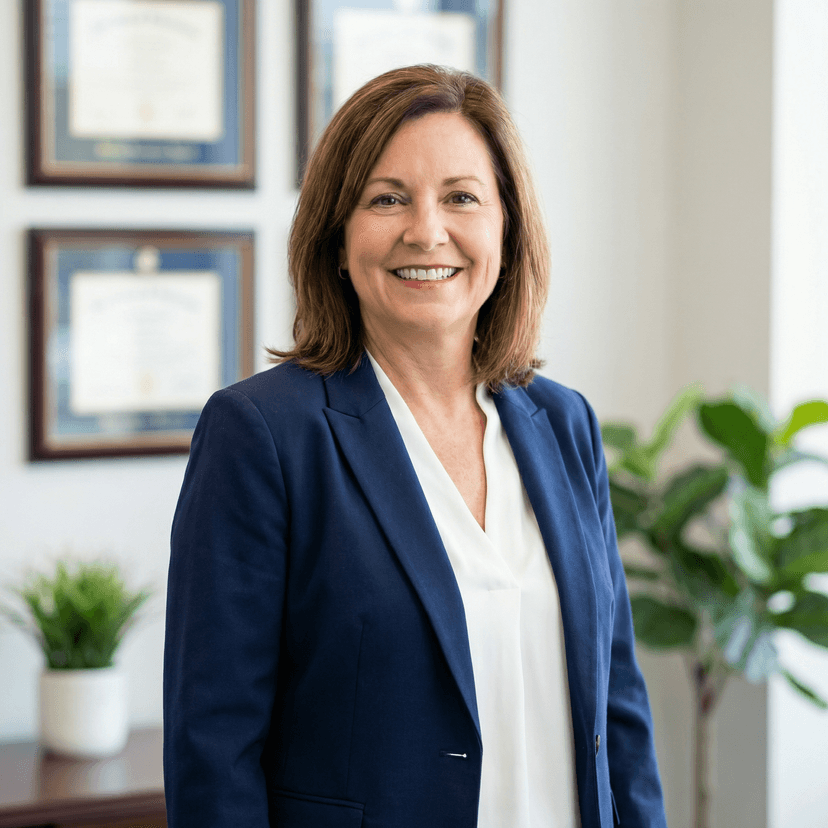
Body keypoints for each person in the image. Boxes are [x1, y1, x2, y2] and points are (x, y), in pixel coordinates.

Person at [164, 64, 667, 828]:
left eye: (462, 197)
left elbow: (619, 711)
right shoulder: (262, 435)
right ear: (337, 237)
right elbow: (213, 750)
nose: (426, 231)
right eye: (387, 198)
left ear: (507, 228)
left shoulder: (566, 424)